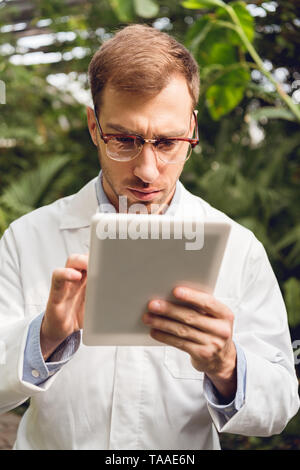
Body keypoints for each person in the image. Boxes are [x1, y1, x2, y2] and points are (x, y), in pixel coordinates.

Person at [0, 24, 299, 451]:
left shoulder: (239, 249)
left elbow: (280, 405)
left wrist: (226, 364)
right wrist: (44, 338)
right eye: (124, 139)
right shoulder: (27, 238)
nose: (147, 170)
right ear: (93, 126)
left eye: (167, 141)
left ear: (192, 129)